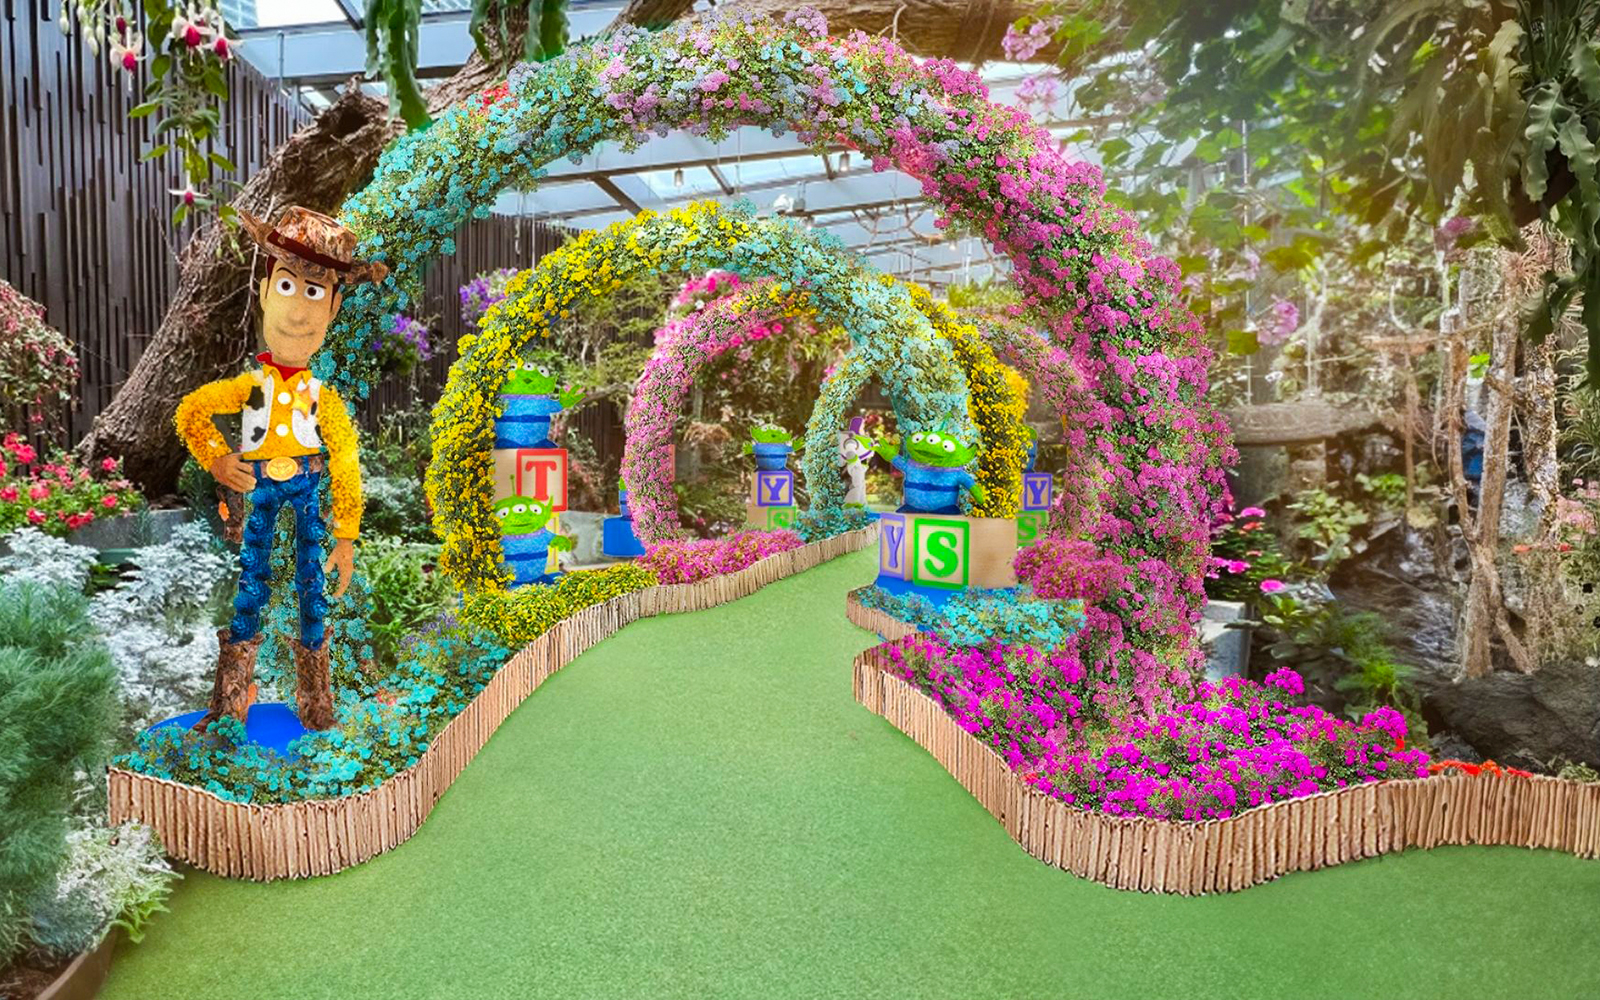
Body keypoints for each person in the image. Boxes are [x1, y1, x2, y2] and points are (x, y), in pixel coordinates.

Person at [175, 206, 387, 731]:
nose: (297, 310)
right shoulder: (249, 388)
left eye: (314, 292)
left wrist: (346, 534)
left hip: (308, 487)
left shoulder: (322, 398)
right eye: (288, 286)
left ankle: (318, 708)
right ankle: (228, 711)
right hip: (260, 487)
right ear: (266, 291)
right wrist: (217, 459)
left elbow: (346, 459)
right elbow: (193, 411)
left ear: (333, 307)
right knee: (251, 586)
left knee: (311, 589)